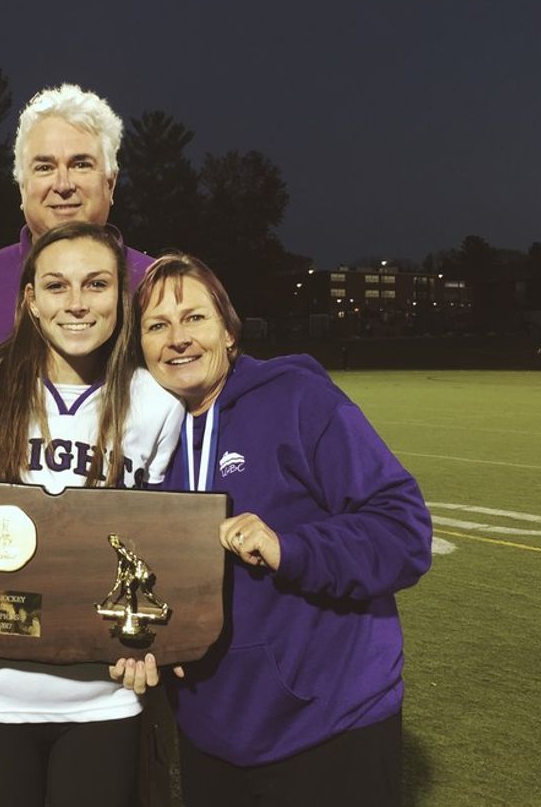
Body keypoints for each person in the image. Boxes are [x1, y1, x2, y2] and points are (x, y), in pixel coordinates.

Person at [117, 252, 432, 807]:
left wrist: (291, 547)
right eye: (157, 326)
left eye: (195, 318)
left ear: (230, 333)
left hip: (330, 718)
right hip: (209, 726)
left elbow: (404, 529)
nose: (178, 339)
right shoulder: (143, 438)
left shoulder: (297, 399)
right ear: (140, 348)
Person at [0, 221, 185, 807]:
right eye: (56, 286)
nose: (76, 303)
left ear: (121, 298)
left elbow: (166, 549)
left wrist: (155, 643)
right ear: (30, 300)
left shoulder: (155, 403)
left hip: (105, 692)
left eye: (96, 285)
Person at [0, 83, 153, 344]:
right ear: (22, 185)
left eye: (81, 165)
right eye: (44, 167)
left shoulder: (159, 286)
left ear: (110, 183)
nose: (63, 185)